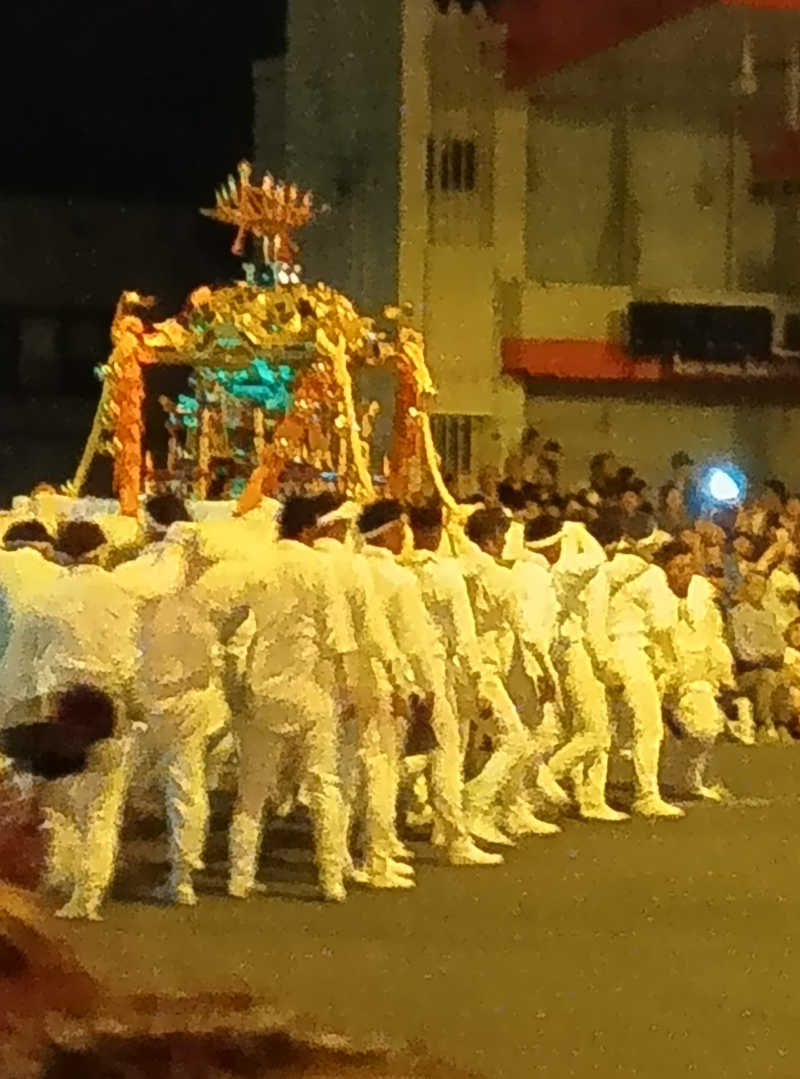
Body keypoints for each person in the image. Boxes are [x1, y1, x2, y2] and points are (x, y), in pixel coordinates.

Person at [2, 520, 143, 919]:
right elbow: (137, 656)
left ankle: (62, 876)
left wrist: (13, 718)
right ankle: (89, 894)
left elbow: (18, 668)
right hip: (110, 708)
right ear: (101, 552)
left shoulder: (43, 598)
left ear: (59, 553)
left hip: (59, 710)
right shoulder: (125, 595)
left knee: (60, 804)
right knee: (103, 807)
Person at [223, 495, 359, 903]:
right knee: (324, 784)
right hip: (309, 688)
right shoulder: (318, 568)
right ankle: (331, 878)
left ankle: (239, 878)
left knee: (252, 789)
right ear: (311, 528)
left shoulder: (259, 565)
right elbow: (338, 635)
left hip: (262, 688)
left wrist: (236, 683)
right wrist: (348, 688)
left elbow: (231, 625)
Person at [311, 493, 427, 885]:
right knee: (380, 771)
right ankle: (376, 860)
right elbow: (390, 638)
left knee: (342, 774)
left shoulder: (320, 566)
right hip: (369, 678)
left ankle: (342, 858)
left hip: (324, 681)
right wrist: (406, 685)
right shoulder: (386, 576)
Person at [405, 501, 504, 867]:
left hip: (399, 669)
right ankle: (456, 839)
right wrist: (477, 684)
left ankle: (380, 841)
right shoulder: (446, 575)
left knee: (386, 756)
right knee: (446, 752)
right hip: (434, 670)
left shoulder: (400, 570)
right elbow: (464, 635)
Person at [459, 507, 559, 842]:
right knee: (513, 740)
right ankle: (474, 808)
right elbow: (525, 630)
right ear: (490, 540)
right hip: (481, 669)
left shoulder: (459, 568)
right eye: (501, 536)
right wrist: (547, 672)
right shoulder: (498, 578)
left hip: (478, 666)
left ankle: (511, 808)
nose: (505, 543)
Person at [357, 499, 443, 886]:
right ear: (390, 531)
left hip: (350, 679)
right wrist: (427, 688)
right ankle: (375, 859)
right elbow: (415, 641)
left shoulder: (351, 568)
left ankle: (365, 850)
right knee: (382, 772)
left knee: (353, 772)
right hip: (387, 681)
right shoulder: (398, 579)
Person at [599, 515, 685, 819]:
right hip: (633, 649)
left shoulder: (604, 567)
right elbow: (662, 621)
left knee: (602, 729)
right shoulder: (650, 575)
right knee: (647, 726)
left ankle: (590, 791)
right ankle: (646, 793)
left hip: (602, 650)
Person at [545, 519, 628, 822]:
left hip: (571, 651)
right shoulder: (587, 574)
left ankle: (589, 796)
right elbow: (593, 627)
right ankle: (545, 779)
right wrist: (607, 667)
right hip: (579, 652)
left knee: (586, 730)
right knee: (595, 731)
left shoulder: (565, 569)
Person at [661, 547, 734, 801]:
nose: (684, 573)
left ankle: (689, 780)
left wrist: (722, 671)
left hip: (694, 677)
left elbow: (715, 636)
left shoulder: (703, 599)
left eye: (688, 567)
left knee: (705, 729)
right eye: (677, 568)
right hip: (656, 672)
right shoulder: (652, 597)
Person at [728, 571, 791, 743]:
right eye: (754, 585)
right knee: (766, 676)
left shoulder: (769, 616)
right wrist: (766, 654)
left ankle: (782, 725)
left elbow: (780, 647)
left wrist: (765, 653)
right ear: (746, 586)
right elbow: (743, 652)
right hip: (746, 673)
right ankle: (763, 724)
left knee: (783, 678)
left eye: (762, 586)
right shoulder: (736, 615)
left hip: (769, 667)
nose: (758, 590)